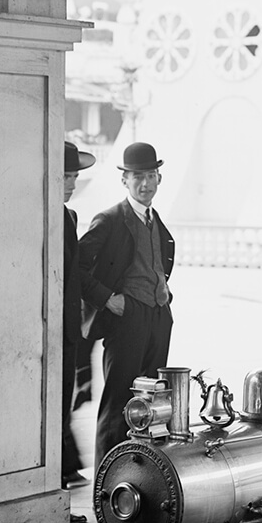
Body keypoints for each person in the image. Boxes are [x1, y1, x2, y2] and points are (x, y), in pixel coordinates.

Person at [79, 142, 177, 462]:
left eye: (151, 175)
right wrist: (108, 300)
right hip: (126, 320)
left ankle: (137, 478)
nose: (145, 184)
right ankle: (104, 490)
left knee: (151, 405)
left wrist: (163, 292)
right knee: (118, 403)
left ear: (159, 178)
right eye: (137, 177)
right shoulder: (109, 220)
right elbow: (74, 268)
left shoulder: (156, 220)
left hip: (158, 318)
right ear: (124, 180)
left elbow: (159, 263)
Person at [60, 142, 96, 493]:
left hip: (70, 331)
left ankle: (62, 481)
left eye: (73, 176)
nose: (72, 183)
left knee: (62, 408)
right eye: (65, 176)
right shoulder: (39, 216)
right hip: (45, 333)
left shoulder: (70, 217)